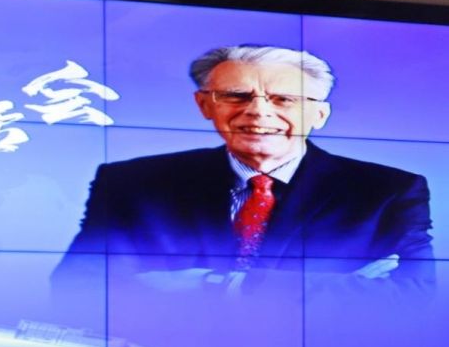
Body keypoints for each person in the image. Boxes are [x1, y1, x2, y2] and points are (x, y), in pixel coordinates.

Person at [51, 44, 435, 291]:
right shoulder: (129, 184)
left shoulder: (388, 191)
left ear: (319, 114)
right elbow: (80, 287)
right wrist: (334, 287)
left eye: (284, 99)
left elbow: (412, 294)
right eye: (236, 96)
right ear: (205, 105)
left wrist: (215, 285)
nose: (258, 111)